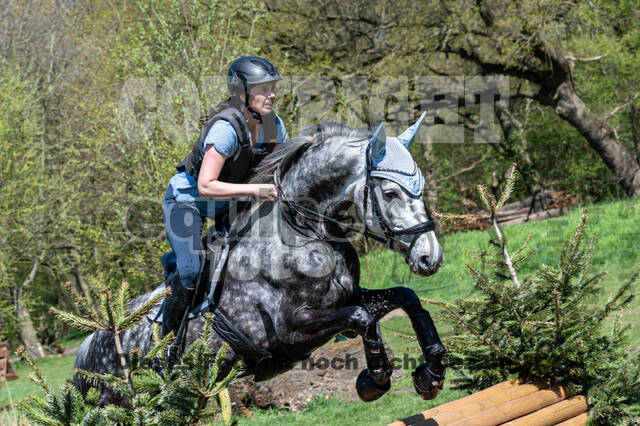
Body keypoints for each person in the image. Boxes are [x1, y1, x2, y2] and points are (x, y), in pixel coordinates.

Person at [161, 56, 287, 340]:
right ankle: (167, 344)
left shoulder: (273, 126)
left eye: (273, 87)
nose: (272, 94)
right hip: (187, 201)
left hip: (230, 204)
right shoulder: (226, 129)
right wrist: (256, 191)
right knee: (191, 271)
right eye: (264, 88)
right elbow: (206, 186)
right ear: (242, 94)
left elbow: (281, 170)